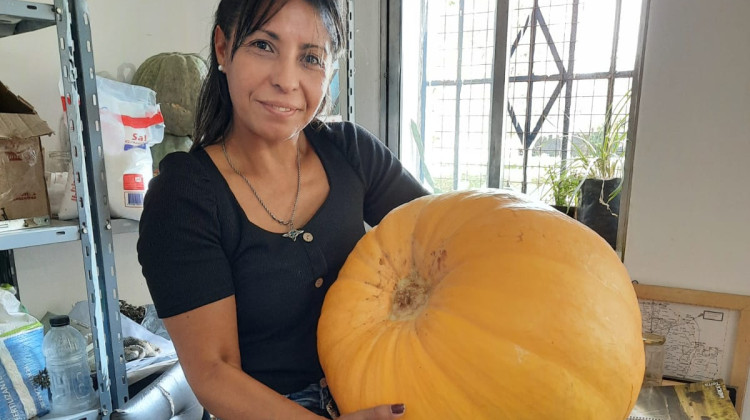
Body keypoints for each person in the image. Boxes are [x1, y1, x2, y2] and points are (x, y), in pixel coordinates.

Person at [136, 0, 429, 418]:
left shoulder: (351, 152)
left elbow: (441, 233)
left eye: (310, 57)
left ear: (330, 70)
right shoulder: (184, 199)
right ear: (222, 48)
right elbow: (215, 373)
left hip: (380, 390)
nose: (286, 80)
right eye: (263, 45)